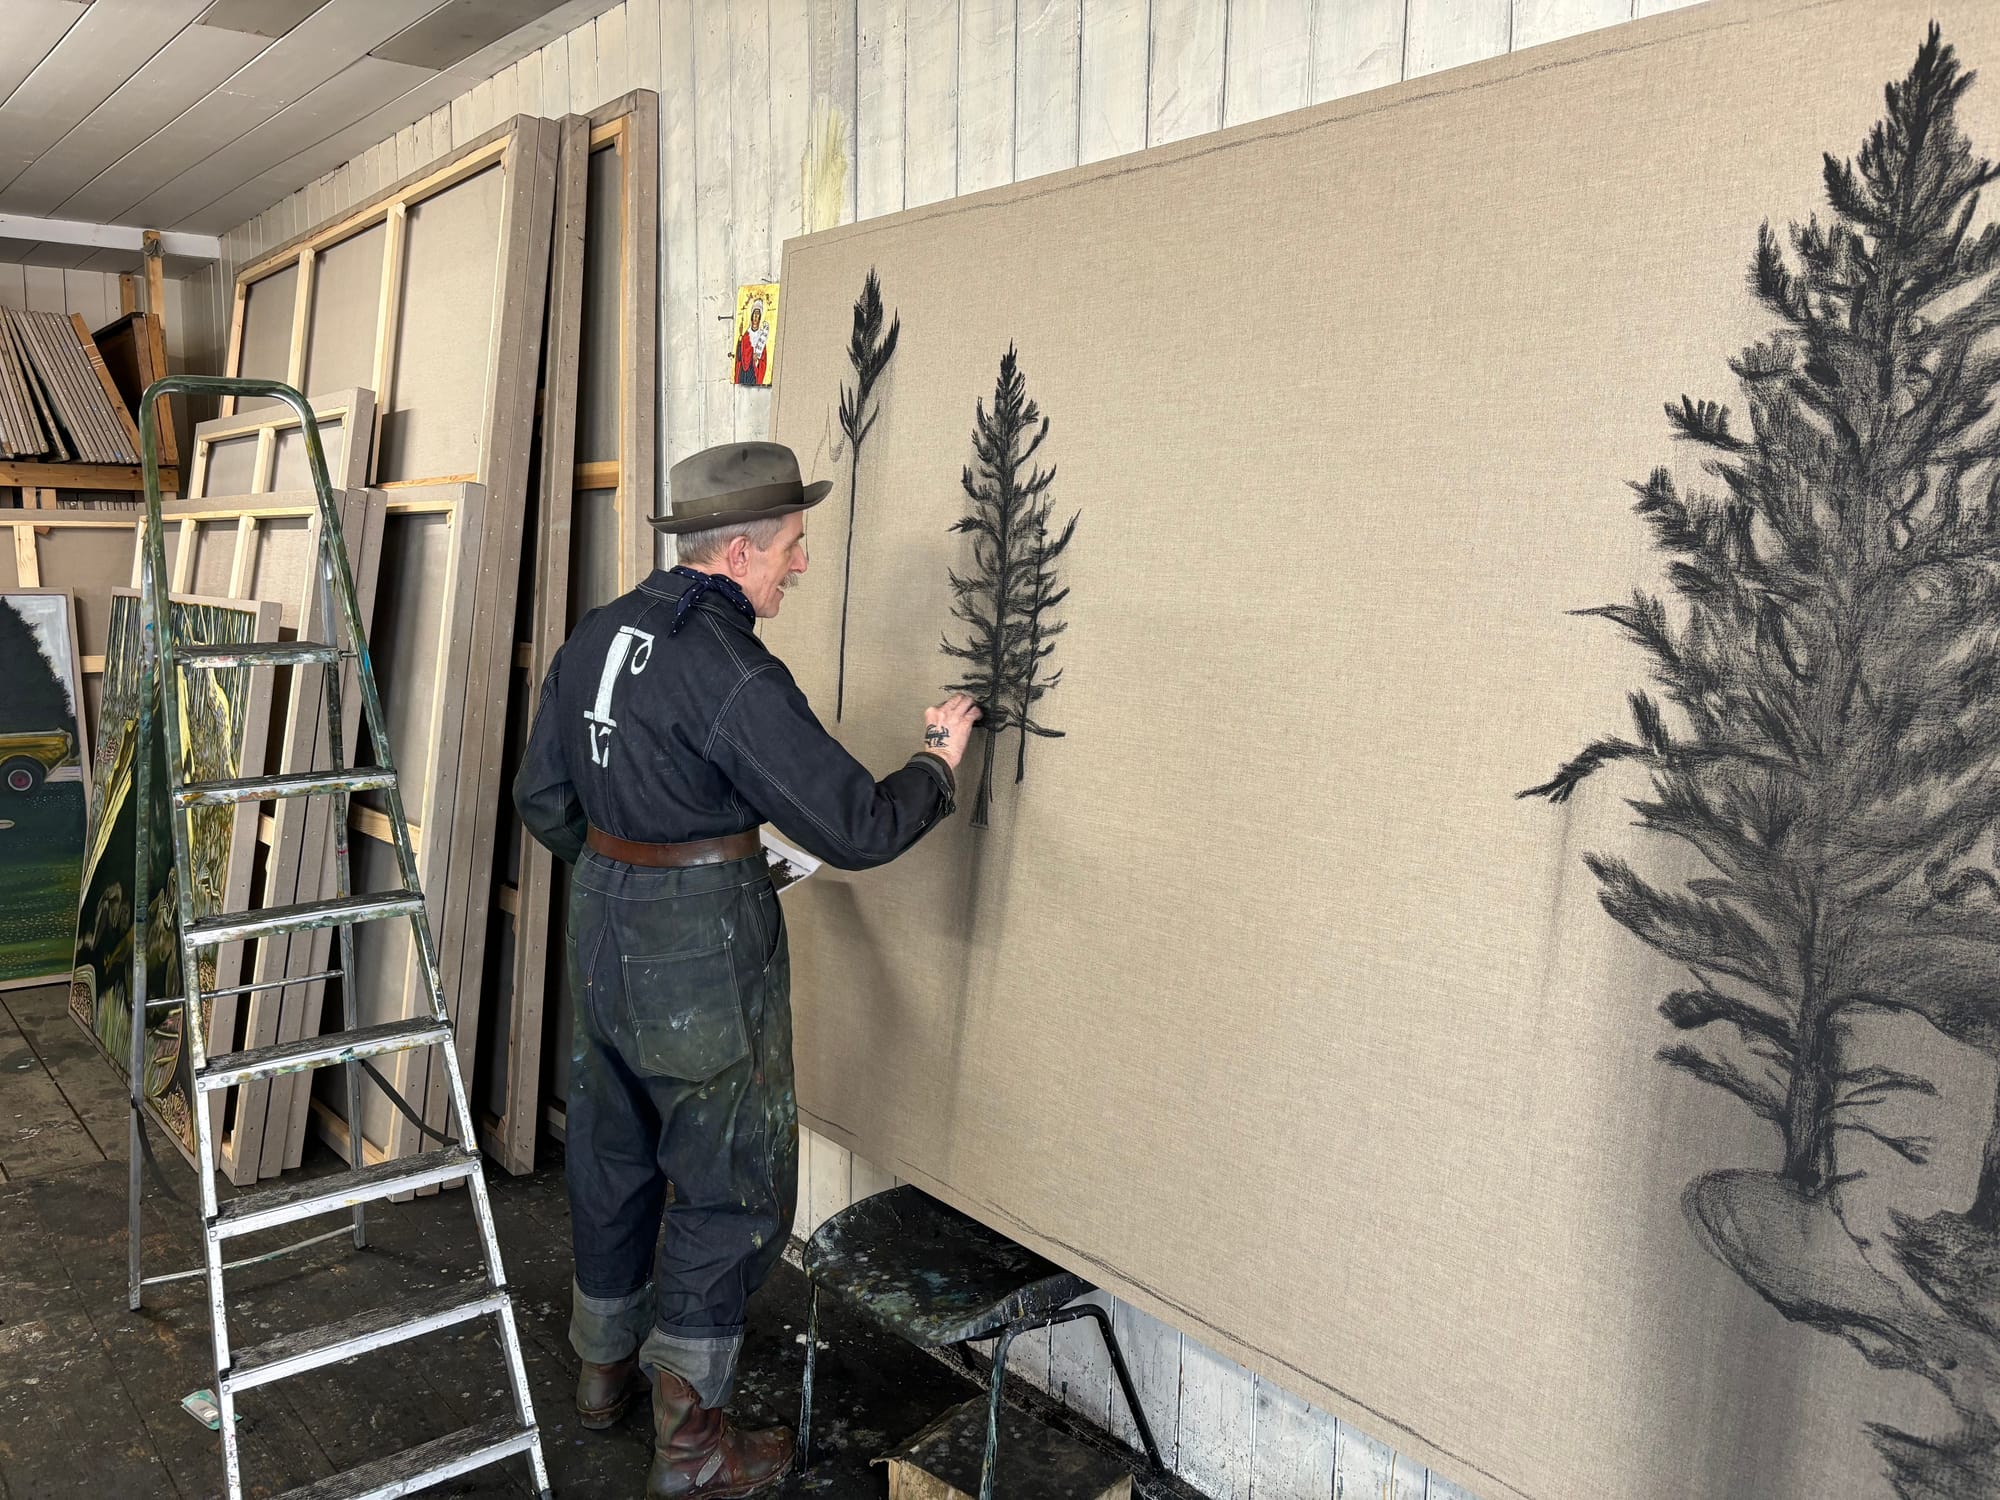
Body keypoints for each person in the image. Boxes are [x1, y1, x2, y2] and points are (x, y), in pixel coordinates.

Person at [514, 439, 977, 1499]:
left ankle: (602, 1372)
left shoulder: (598, 633)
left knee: (613, 1150)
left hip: (600, 926)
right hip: (699, 951)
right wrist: (936, 766)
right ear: (735, 553)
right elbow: (856, 826)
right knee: (731, 1183)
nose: (800, 565)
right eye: (792, 546)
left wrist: (632, 864)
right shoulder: (732, 670)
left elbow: (543, 800)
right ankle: (690, 1449)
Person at [733, 299, 769, 386]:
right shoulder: (745, 336)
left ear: (760, 318)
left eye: (758, 315)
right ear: (751, 316)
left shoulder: (761, 338)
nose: (755, 317)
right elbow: (739, 359)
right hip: (743, 374)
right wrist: (740, 344)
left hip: (753, 374)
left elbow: (763, 361)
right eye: (754, 314)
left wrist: (757, 360)